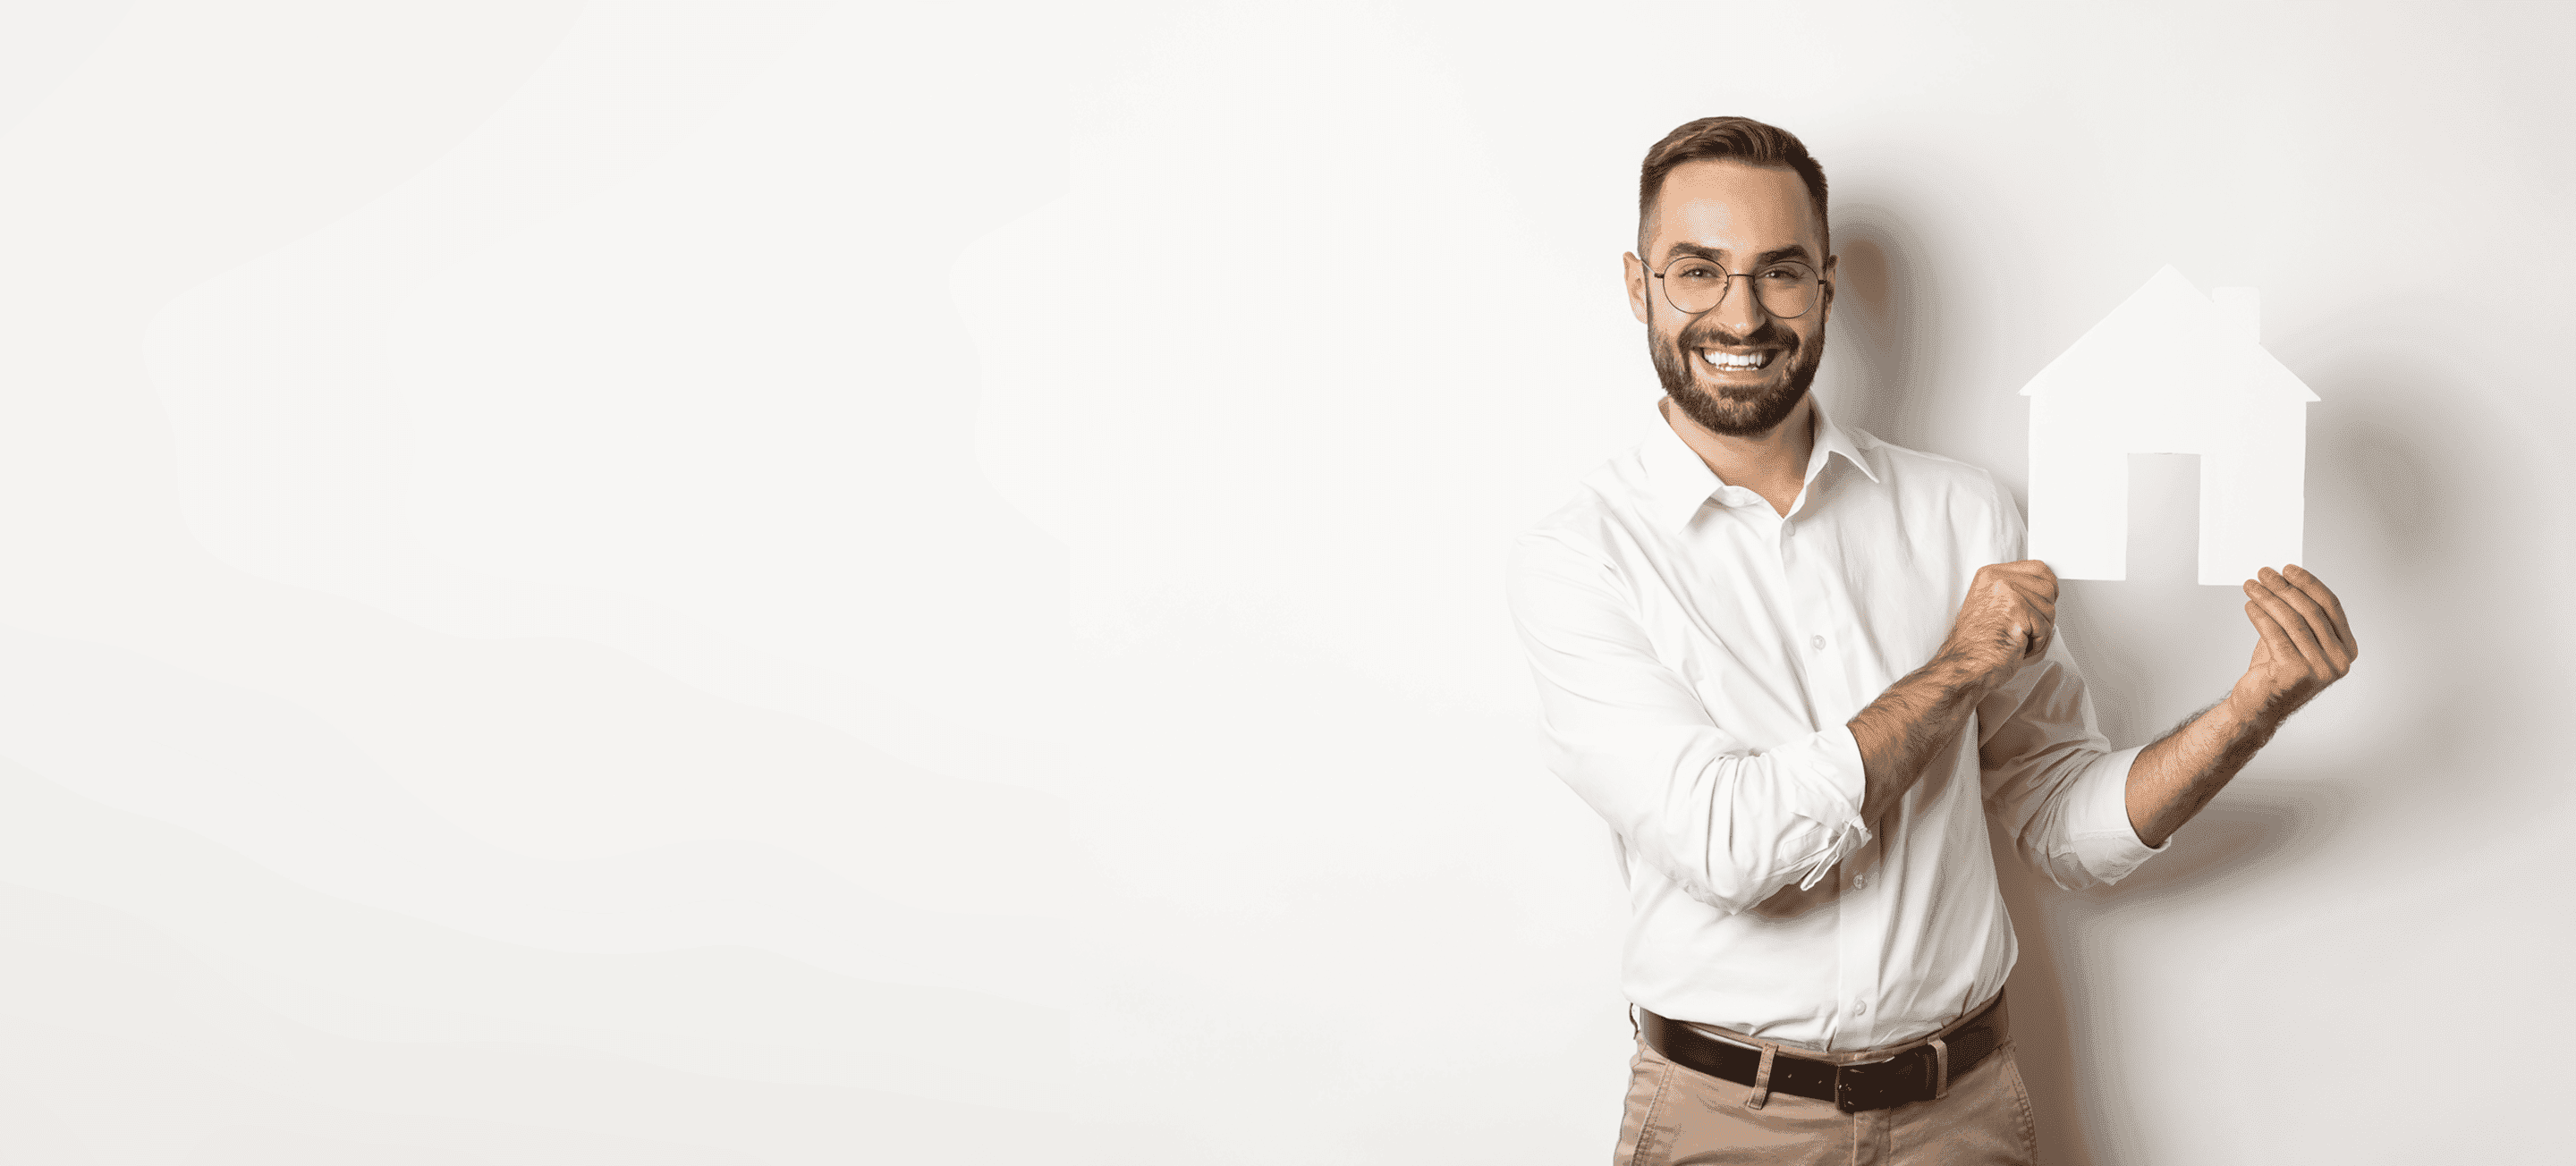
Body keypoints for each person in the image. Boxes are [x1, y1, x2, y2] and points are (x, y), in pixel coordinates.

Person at [1504, 116, 2359, 1165]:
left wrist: (2250, 707)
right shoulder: (1582, 558)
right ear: (1639, 286)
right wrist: (1957, 667)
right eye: (1698, 271)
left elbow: (2060, 819)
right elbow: (1730, 845)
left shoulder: (1962, 514)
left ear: (1825, 285)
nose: (1742, 311)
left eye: (1779, 271)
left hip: (1963, 1115)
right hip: (1726, 1124)